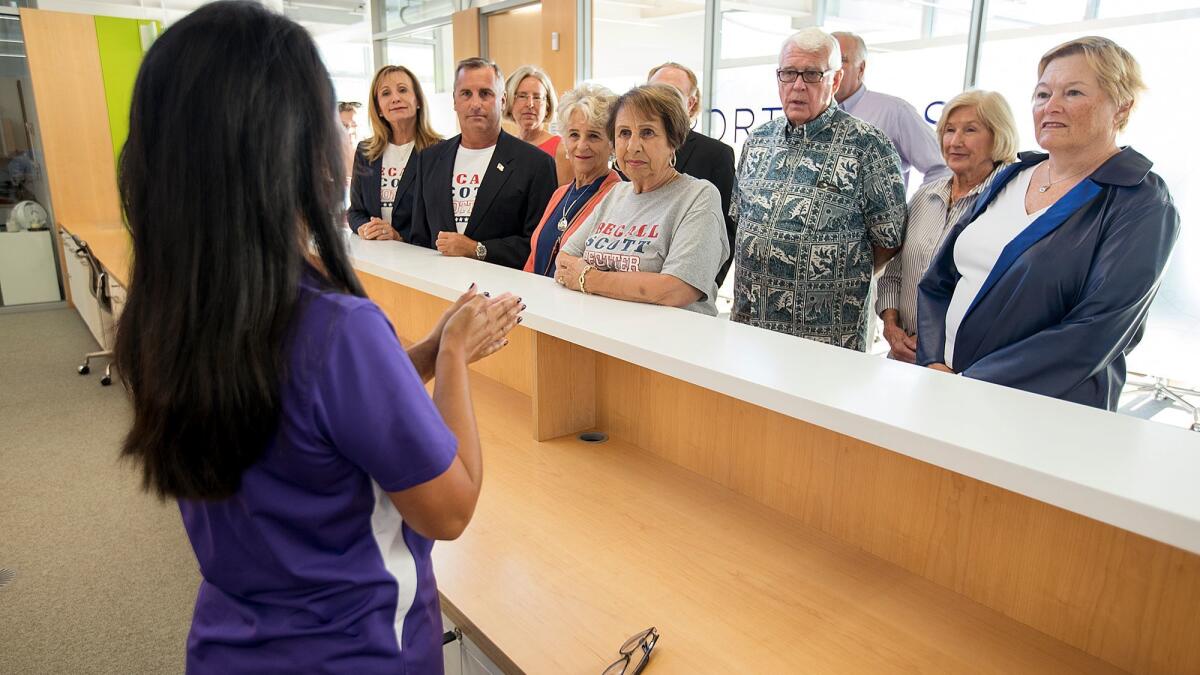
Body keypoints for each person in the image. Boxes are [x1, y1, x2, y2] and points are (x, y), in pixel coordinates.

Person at [113, 2, 523, 671]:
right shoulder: (334, 328)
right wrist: (453, 358)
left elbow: (305, 412)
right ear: (289, 144)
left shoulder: (174, 306)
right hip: (357, 651)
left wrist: (416, 353)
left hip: (231, 643)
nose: (345, 133)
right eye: (333, 112)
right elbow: (449, 508)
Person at [917, 37, 1180, 410]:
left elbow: (1095, 332)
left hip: (1043, 411)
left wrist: (969, 384)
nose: (1051, 107)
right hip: (946, 387)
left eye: (1072, 93)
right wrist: (931, 362)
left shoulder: (1140, 199)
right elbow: (939, 279)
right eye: (1042, 95)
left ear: (1122, 106)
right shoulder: (1013, 175)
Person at [731, 29, 906, 351]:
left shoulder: (868, 145)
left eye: (812, 74)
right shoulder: (757, 141)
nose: (798, 85)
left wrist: (828, 267)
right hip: (750, 326)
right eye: (788, 73)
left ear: (835, 80)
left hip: (825, 336)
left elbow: (889, 239)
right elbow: (740, 221)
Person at [555, 84, 728, 316]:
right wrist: (640, 285)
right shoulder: (616, 194)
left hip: (669, 344)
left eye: (647, 132)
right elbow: (565, 260)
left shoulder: (698, 197)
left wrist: (589, 278)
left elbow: (676, 289)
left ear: (673, 141)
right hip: (605, 333)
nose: (633, 146)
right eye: (624, 133)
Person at [876, 90, 1018, 363]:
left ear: (998, 136)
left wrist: (934, 341)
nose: (955, 141)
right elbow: (895, 274)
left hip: (962, 362)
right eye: (949, 130)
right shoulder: (924, 197)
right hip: (902, 354)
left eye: (970, 130)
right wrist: (892, 328)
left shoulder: (1009, 202)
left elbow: (999, 297)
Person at [410, 57, 558, 269]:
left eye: (485, 94)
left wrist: (477, 249)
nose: (476, 104)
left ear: (503, 100)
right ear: (454, 100)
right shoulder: (429, 159)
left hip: (503, 293)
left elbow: (539, 245)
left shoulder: (536, 164)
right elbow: (419, 238)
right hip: (439, 287)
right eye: (466, 94)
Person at [646, 62, 738, 286]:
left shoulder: (716, 155)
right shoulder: (631, 152)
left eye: (672, 94)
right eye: (654, 93)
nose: (661, 101)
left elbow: (724, 231)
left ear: (691, 103)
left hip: (686, 287)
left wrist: (703, 287)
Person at [523, 83, 622, 278]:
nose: (581, 145)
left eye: (593, 136)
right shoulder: (559, 194)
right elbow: (533, 260)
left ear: (612, 144)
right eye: (574, 135)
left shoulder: (617, 198)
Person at [832, 32, 950, 188]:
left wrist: (920, 209)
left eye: (841, 61)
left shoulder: (895, 112)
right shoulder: (807, 116)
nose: (832, 69)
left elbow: (942, 168)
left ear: (861, 69)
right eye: (827, 62)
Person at [348, 65, 442, 241]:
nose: (395, 98)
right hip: (376, 257)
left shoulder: (440, 152)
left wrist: (399, 236)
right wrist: (365, 228)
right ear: (378, 109)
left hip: (420, 259)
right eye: (386, 93)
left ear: (418, 100)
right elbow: (355, 212)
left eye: (403, 90)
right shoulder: (365, 152)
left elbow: (440, 221)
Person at [504, 65, 571, 185]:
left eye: (537, 97)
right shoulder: (506, 148)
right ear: (509, 101)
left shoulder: (561, 149)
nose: (530, 104)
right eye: (522, 96)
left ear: (547, 106)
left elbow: (564, 201)